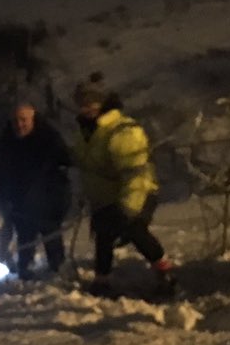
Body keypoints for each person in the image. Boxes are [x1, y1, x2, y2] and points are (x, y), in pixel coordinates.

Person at [71, 78, 176, 297]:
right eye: (82, 103)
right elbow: (86, 162)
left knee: (135, 229)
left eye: (92, 102)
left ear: (103, 102)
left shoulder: (122, 131)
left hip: (136, 192)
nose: (87, 107)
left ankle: (164, 272)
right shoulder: (86, 131)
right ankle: (102, 280)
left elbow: (134, 173)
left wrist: (128, 207)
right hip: (105, 196)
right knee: (103, 233)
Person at [0, 101, 72, 280]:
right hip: (20, 198)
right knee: (24, 233)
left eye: (23, 120)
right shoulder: (8, 140)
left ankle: (57, 266)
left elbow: (64, 164)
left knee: (50, 232)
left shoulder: (49, 138)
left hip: (48, 196)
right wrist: (3, 196)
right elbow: (2, 171)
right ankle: (25, 267)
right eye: (16, 120)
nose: (19, 125)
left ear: (33, 119)